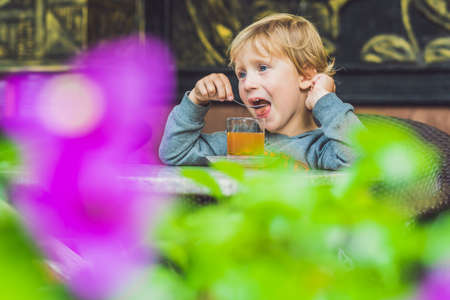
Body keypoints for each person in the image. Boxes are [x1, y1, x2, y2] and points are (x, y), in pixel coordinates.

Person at [159, 13, 364, 170]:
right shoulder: (239, 145)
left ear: (305, 76)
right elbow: (174, 153)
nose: (247, 84)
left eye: (262, 68)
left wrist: (324, 99)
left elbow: (359, 159)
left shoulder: (319, 148)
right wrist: (196, 100)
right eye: (241, 74)